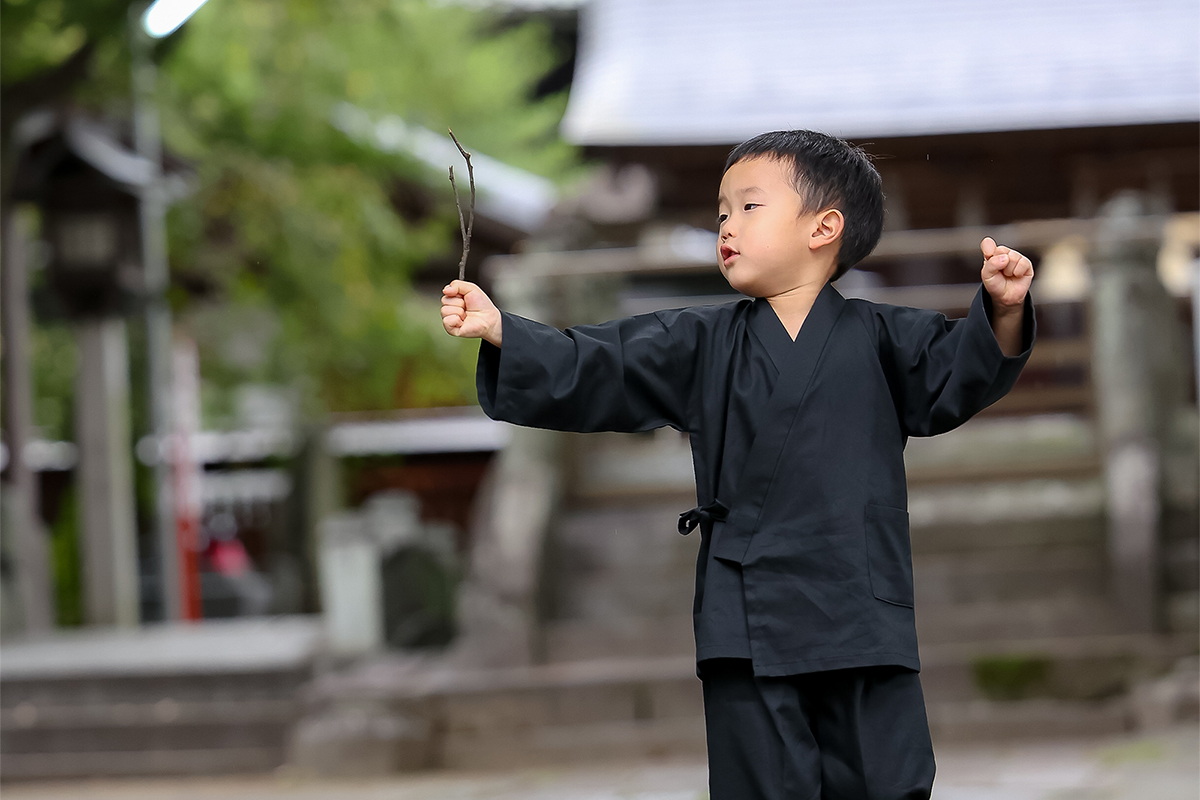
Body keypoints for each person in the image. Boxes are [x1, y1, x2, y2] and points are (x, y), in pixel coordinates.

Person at [440, 129, 1035, 800]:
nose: (726, 225)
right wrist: (503, 330)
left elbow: (958, 373)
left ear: (825, 227)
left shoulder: (885, 337)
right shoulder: (700, 341)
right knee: (761, 786)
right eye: (721, 211)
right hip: (747, 613)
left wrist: (1003, 309)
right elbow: (600, 362)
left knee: (885, 781)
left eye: (749, 208)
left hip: (860, 604)